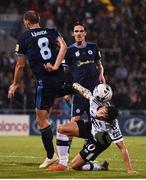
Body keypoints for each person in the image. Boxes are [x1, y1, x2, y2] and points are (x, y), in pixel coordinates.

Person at [8, 10, 73, 169]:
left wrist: (15, 84)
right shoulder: (51, 32)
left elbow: (20, 65)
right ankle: (70, 88)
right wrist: (57, 65)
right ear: (38, 20)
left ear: (27, 22)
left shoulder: (24, 37)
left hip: (45, 80)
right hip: (60, 75)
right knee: (48, 112)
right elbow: (64, 46)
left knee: (41, 119)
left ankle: (51, 156)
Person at [48, 83, 137, 173]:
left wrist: (130, 169)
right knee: (62, 129)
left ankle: (99, 166)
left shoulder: (113, 126)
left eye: (103, 117)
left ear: (108, 120)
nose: (99, 115)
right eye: (102, 112)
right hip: (91, 127)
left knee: (75, 165)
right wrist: (75, 85)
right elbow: (85, 92)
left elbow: (123, 148)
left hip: (99, 141)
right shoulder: (95, 100)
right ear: (105, 106)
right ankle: (62, 164)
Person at [56, 21, 106, 169]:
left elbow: (99, 65)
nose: (78, 33)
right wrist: (66, 91)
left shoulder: (93, 47)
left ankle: (85, 155)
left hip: (95, 95)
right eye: (76, 31)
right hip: (78, 93)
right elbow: (65, 72)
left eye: (81, 31)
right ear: (73, 34)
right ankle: (66, 153)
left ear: (85, 33)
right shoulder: (69, 51)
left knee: (94, 126)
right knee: (73, 122)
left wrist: (102, 76)